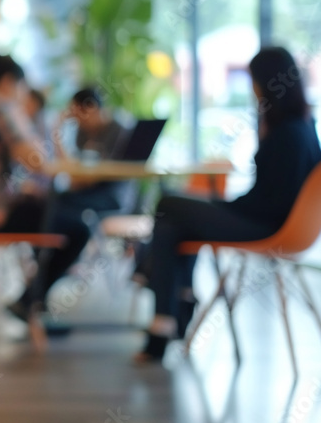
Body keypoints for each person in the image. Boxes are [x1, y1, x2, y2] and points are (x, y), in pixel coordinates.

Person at [136, 47, 321, 362]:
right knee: (172, 222)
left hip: (268, 227)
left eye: (254, 81)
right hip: (266, 219)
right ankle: (173, 309)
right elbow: (268, 195)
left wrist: (227, 207)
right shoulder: (301, 126)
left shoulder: (288, 134)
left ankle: (159, 294)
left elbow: (270, 204)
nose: (252, 89)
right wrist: (224, 205)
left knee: (169, 204)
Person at [0, 53, 91, 321]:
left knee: (47, 209)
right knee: (80, 227)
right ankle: (31, 299)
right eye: (23, 87)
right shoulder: (1, 106)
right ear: (9, 82)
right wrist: (50, 129)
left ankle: (32, 299)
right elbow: (37, 161)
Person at [52, 87, 130, 213]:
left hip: (112, 195)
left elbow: (88, 178)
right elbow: (75, 175)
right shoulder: (82, 133)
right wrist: (57, 134)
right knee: (54, 199)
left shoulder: (119, 130)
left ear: (91, 108)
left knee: (60, 203)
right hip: (88, 191)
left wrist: (79, 178)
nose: (76, 120)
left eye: (77, 115)